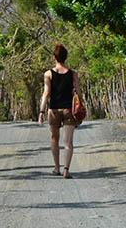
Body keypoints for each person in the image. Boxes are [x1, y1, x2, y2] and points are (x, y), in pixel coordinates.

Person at [38, 44, 80, 178]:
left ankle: (57, 168)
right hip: (69, 110)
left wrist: (41, 112)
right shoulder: (73, 74)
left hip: (54, 110)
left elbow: (46, 94)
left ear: (54, 57)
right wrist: (80, 110)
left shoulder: (48, 74)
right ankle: (66, 170)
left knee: (54, 139)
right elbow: (78, 93)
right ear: (66, 57)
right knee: (68, 142)